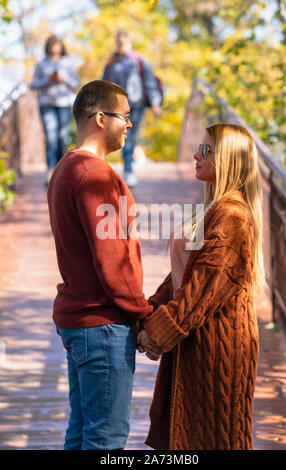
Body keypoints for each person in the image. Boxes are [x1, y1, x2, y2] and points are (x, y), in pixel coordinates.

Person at [137, 123, 266, 450]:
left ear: (228, 159)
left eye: (206, 150)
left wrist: (156, 332)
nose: (196, 154)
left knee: (214, 437)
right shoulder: (213, 209)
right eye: (199, 147)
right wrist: (147, 312)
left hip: (217, 346)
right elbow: (183, 275)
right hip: (194, 338)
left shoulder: (233, 216)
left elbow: (202, 292)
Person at [47, 80, 155, 450]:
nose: (129, 124)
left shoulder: (65, 168)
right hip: (103, 325)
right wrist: (141, 312)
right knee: (105, 441)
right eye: (124, 116)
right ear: (99, 118)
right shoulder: (95, 175)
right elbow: (112, 259)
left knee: (82, 434)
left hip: (81, 323)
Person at [102, 29, 162, 188]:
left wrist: (155, 103)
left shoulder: (138, 60)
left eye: (124, 42)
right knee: (117, 135)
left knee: (129, 136)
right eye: (118, 43)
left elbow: (150, 82)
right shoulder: (112, 62)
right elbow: (104, 83)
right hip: (117, 104)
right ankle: (120, 169)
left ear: (130, 42)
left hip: (136, 104)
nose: (121, 45)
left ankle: (128, 170)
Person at [31, 35, 79, 184]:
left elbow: (76, 84)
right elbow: (33, 85)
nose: (54, 48)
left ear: (61, 46)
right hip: (46, 104)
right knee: (51, 137)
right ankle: (50, 170)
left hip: (64, 103)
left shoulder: (68, 63)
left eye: (57, 45)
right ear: (48, 47)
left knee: (62, 137)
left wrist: (64, 80)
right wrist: (48, 80)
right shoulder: (41, 63)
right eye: (52, 45)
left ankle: (61, 170)